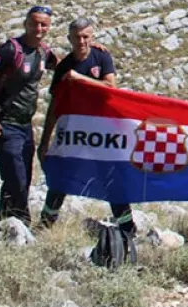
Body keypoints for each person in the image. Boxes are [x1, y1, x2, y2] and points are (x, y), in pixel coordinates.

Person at [37, 17, 135, 234]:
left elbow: (111, 88)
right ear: (69, 39)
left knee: (111, 177)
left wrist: (80, 79)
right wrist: (45, 142)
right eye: (76, 37)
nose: (81, 41)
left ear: (92, 37)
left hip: (102, 131)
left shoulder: (102, 57)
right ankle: (46, 222)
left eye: (85, 37)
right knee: (61, 175)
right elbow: (55, 107)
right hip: (75, 132)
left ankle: (127, 227)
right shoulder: (64, 67)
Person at [0, 5, 58, 225]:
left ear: (48, 27)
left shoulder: (43, 52)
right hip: (3, 123)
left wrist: (91, 49)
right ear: (25, 24)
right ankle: (21, 225)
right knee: (16, 177)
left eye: (43, 24)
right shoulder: (10, 50)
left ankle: (7, 222)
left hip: (25, 124)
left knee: (23, 177)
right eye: (34, 23)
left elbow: (65, 67)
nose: (38, 28)